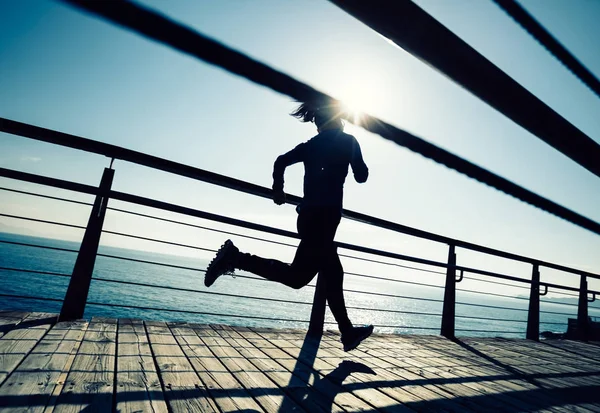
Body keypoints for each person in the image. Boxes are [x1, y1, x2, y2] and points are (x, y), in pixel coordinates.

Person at [204, 99, 373, 351]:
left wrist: (278, 191)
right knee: (301, 277)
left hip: (308, 218)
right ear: (338, 118)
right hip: (324, 220)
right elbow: (361, 176)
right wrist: (355, 160)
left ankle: (347, 332)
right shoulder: (348, 142)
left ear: (319, 122)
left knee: (330, 273)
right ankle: (236, 258)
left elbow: (280, 161)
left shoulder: (311, 146)